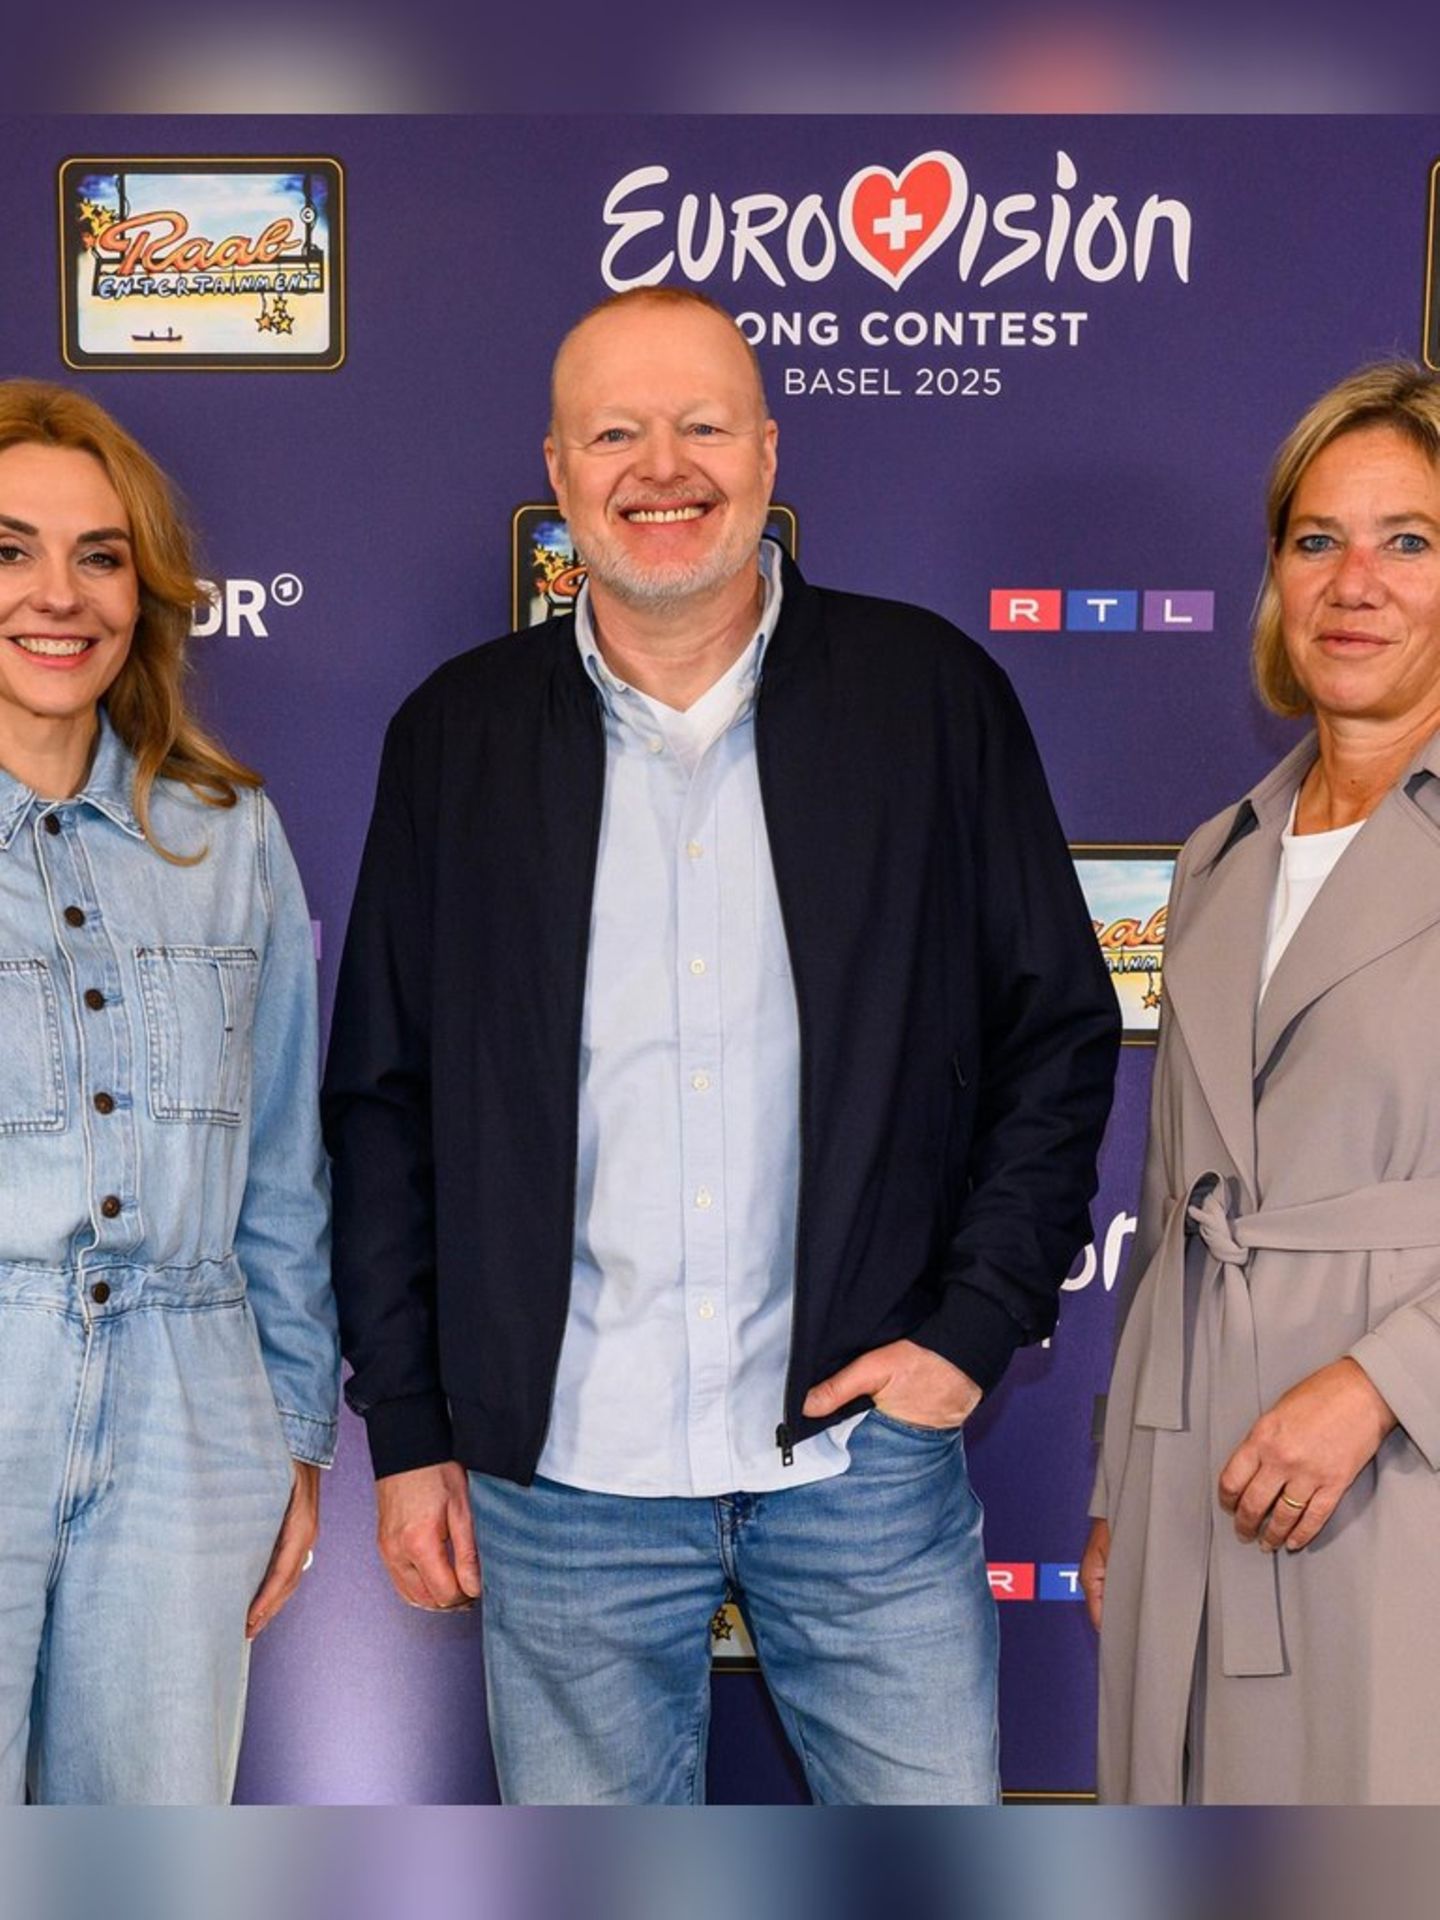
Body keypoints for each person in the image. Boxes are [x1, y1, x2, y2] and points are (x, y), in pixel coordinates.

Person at [323, 286, 1119, 1806]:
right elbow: (385, 1104)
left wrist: (969, 1333)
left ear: (767, 450)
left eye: (701, 425)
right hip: (562, 1488)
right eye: (617, 432)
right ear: (557, 472)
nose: (662, 466)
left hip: (862, 1473)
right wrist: (411, 1425)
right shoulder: (456, 738)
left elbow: (1058, 1034)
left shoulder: (931, 698)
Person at [1082, 361, 1440, 1804]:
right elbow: (1175, 1207)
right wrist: (1119, 1489)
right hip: (1191, 1467)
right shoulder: (1215, 858)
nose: (1356, 581)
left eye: (1409, 539)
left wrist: (1383, 1384)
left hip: (1398, 1468)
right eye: (1317, 540)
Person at [0, 381, 337, 1805]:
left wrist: (298, 1434)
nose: (56, 595)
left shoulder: (227, 835)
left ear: (148, 587)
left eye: (101, 553)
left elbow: (282, 1165)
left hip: (192, 1414)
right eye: (7, 549)